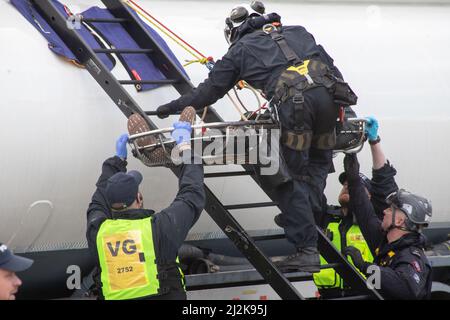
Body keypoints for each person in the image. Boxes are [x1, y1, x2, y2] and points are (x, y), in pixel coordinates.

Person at [156, 1, 357, 273]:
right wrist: (343, 110)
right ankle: (310, 220)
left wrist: (171, 107)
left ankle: (306, 248)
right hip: (330, 103)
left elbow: (207, 93)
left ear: (233, 32)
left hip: (297, 109)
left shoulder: (240, 51)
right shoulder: (299, 31)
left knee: (291, 177)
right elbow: (332, 69)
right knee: (318, 164)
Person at [86, 108, 205, 300]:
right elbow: (192, 194)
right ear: (139, 198)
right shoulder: (159, 229)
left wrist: (116, 162)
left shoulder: (99, 233)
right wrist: (185, 146)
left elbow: (98, 201)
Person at [311, 116, 399, 298]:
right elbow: (312, 189)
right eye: (345, 183)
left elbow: (384, 182)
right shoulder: (326, 217)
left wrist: (374, 141)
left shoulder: (377, 222)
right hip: (329, 296)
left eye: (354, 185)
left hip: (365, 295)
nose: (347, 186)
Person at [342, 153, 433, 299]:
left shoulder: (411, 256)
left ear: (399, 221)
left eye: (390, 209)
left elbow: (405, 289)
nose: (384, 210)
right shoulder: (386, 244)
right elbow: (365, 213)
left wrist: (366, 267)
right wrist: (354, 180)